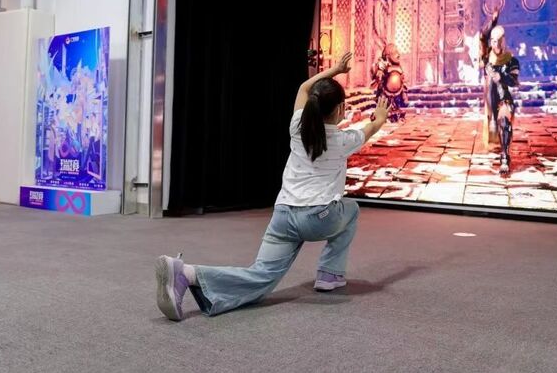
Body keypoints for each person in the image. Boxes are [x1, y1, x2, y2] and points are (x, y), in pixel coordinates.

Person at [155, 52, 389, 321]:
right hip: (319, 219)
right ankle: (330, 274)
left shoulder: (297, 127)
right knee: (352, 209)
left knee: (261, 276)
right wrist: (380, 117)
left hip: (283, 216)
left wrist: (334, 70)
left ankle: (186, 273)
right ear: (340, 110)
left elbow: (304, 88)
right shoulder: (344, 140)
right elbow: (372, 127)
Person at [479, 9, 521, 174]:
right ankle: (495, 130)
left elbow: (514, 81)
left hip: (505, 99)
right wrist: (493, 20)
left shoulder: (511, 60)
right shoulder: (487, 57)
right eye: (493, 41)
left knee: (504, 121)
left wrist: (501, 76)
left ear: (503, 41)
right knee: (495, 127)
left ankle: (505, 157)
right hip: (491, 100)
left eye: (498, 41)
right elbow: (482, 36)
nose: (495, 44)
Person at [371, 43, 409, 122]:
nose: (398, 55)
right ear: (388, 55)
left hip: (397, 93)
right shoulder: (383, 64)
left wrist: (404, 93)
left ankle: (395, 112)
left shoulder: (398, 66)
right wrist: (380, 71)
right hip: (385, 93)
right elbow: (377, 74)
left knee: (396, 105)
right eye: (395, 52)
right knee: (384, 105)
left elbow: (403, 80)